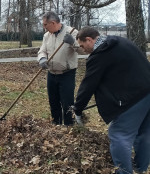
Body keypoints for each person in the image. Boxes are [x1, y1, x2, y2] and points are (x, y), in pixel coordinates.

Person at [73, 26, 150, 174]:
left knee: (119, 134)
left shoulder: (100, 55)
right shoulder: (120, 42)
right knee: (145, 133)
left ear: (89, 39)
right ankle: (140, 168)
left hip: (132, 98)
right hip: (147, 91)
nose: (83, 50)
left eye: (82, 46)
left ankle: (124, 172)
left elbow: (88, 84)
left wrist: (77, 109)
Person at [37, 11, 83, 126]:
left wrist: (73, 42)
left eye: (45, 25)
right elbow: (42, 50)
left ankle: (69, 126)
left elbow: (83, 50)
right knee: (53, 101)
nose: (44, 27)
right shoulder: (47, 36)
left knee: (67, 103)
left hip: (67, 74)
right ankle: (56, 125)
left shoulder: (72, 32)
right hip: (51, 74)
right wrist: (42, 58)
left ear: (52, 23)